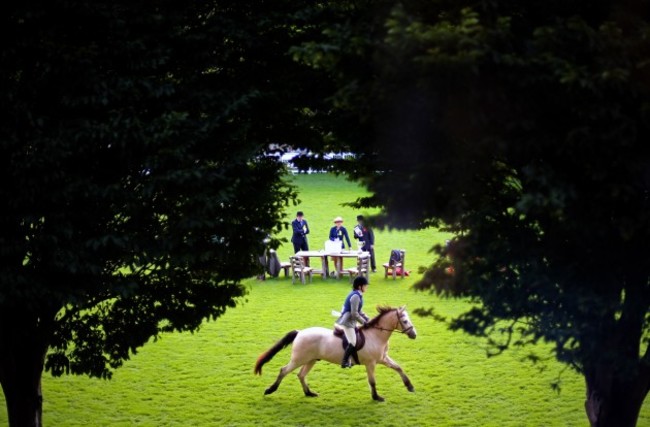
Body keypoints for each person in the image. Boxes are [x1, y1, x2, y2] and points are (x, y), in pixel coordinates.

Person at [336, 276, 370, 368]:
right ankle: (344, 362)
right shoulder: (356, 296)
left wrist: (367, 318)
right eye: (365, 286)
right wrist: (364, 322)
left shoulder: (357, 294)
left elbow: (359, 310)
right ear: (360, 286)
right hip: (348, 321)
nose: (366, 287)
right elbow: (354, 313)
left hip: (352, 320)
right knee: (353, 342)